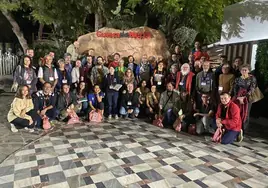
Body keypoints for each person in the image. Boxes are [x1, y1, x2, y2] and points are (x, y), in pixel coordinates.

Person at [233, 64, 257, 133]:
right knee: (238, 112)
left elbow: (252, 89)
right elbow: (235, 88)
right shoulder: (238, 78)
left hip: (248, 98)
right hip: (238, 97)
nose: (243, 71)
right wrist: (237, 97)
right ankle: (237, 127)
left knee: (246, 113)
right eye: (242, 70)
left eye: (245, 70)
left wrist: (244, 97)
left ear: (249, 70)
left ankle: (244, 129)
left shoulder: (252, 78)